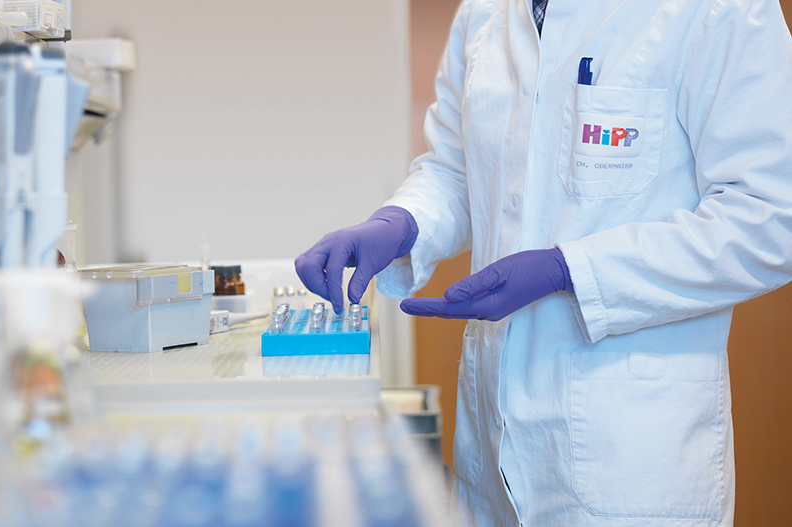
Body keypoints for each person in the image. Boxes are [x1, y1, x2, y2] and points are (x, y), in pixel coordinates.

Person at [294, 0, 792, 525]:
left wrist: (571, 269)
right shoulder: (484, 13)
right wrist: (401, 222)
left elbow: (773, 216)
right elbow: (459, 169)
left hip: (631, 463)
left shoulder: (715, 10)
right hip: (491, 448)